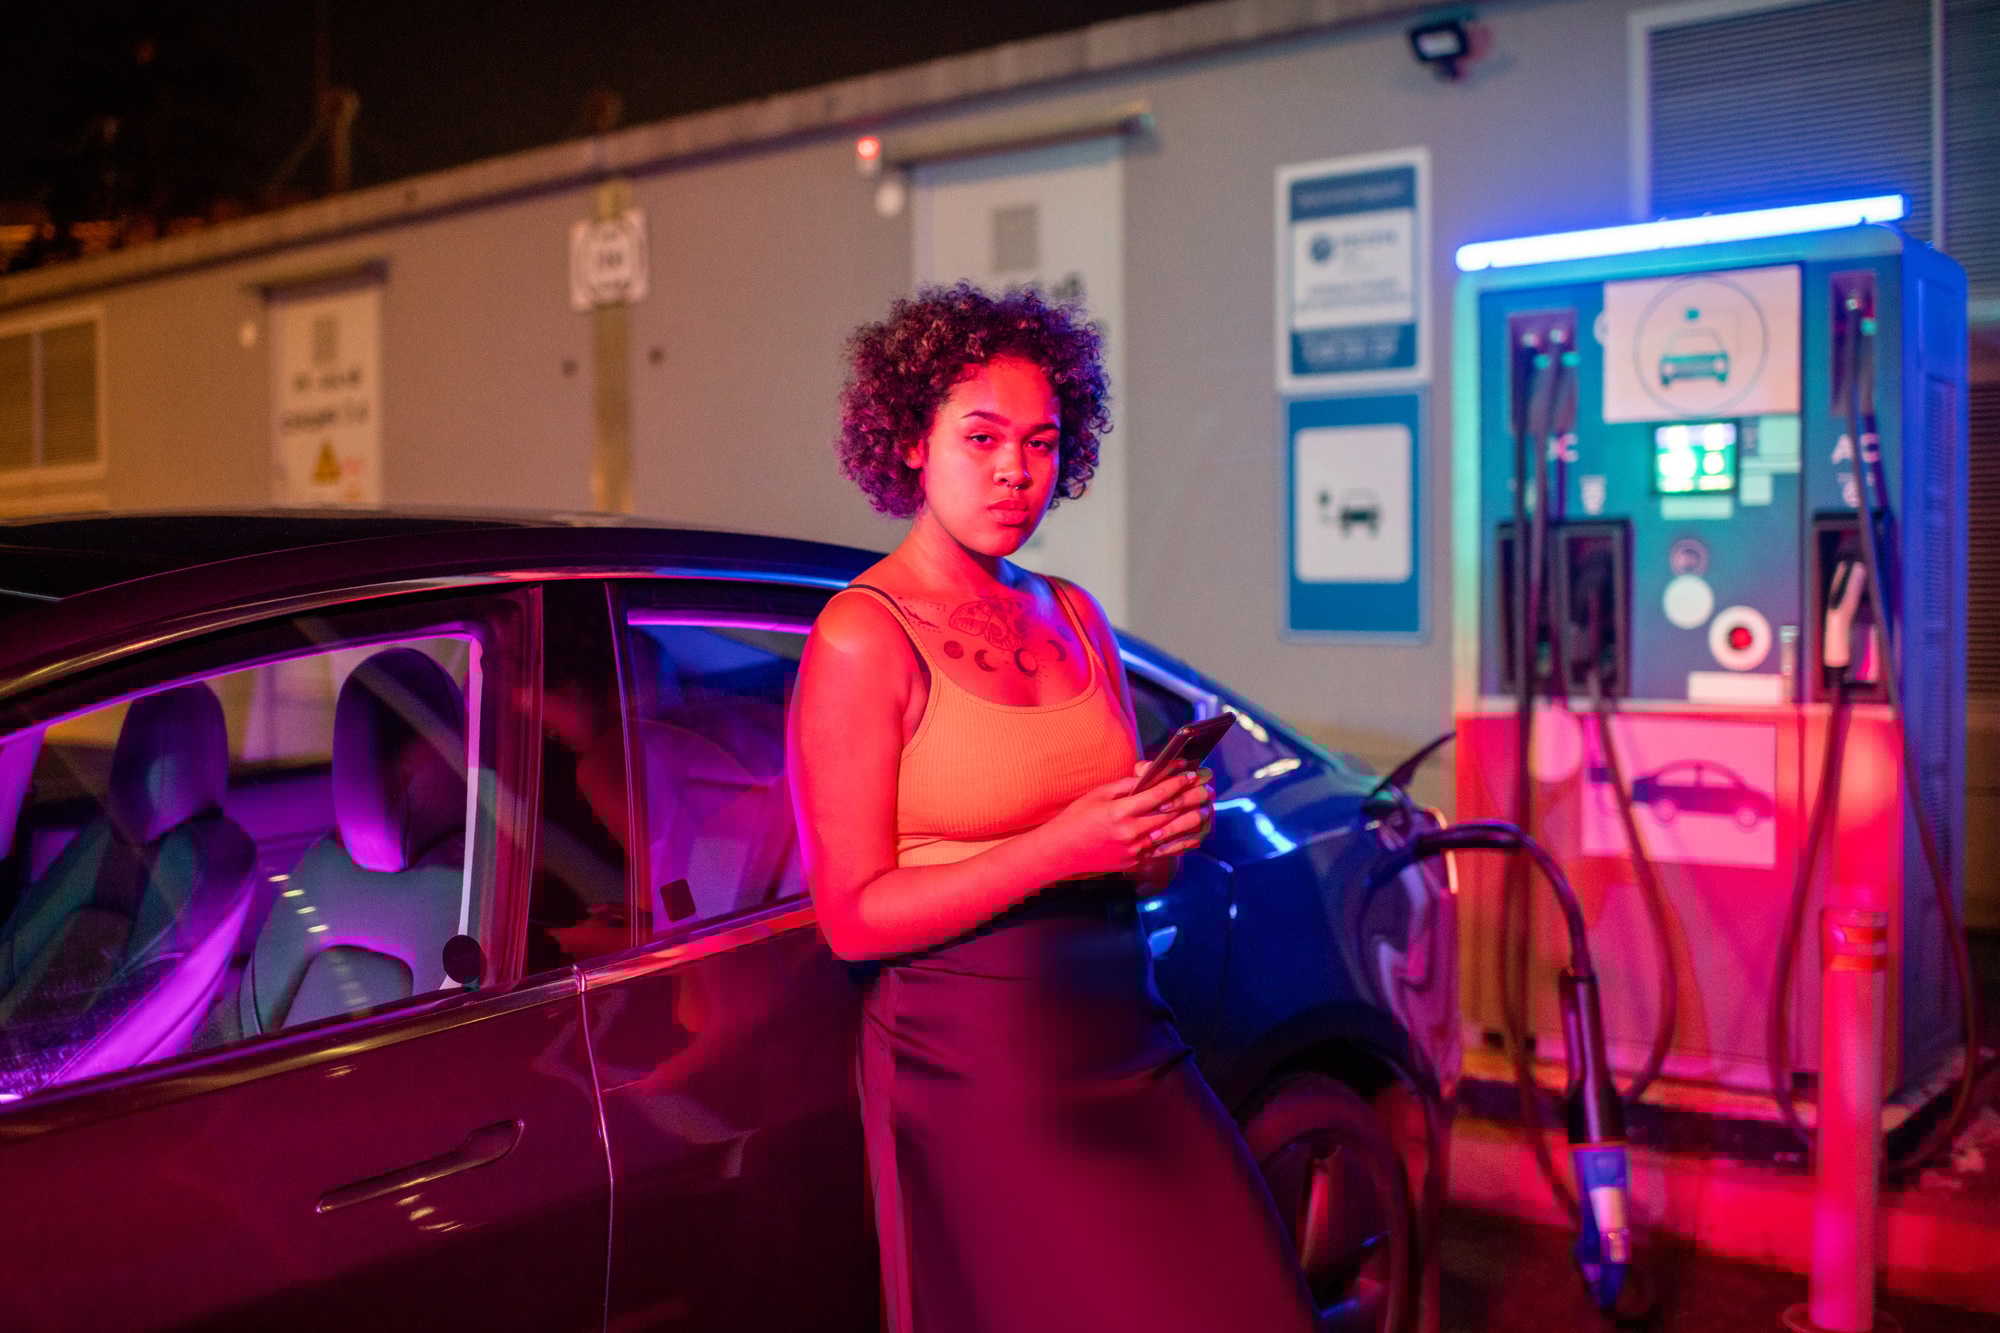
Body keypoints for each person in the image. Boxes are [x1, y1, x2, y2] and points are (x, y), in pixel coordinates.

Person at [788, 282, 1318, 1332]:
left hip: (1130, 1032)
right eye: (979, 437)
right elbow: (850, 915)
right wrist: (1060, 844)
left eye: (1039, 442)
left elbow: (1130, 864)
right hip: (979, 1065)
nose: (1012, 470)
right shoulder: (860, 638)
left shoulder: (1072, 612)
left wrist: (1157, 831)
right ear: (907, 440)